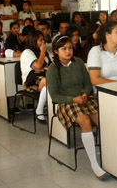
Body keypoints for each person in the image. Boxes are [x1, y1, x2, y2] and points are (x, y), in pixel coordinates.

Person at [46, 35, 110, 181]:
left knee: (103, 119)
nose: (68, 51)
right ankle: (95, 164)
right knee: (85, 121)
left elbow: (88, 83)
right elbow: (55, 96)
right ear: (56, 51)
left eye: (70, 48)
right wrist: (73, 99)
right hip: (66, 103)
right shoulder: (52, 69)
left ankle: (109, 157)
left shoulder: (79, 62)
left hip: (84, 98)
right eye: (64, 49)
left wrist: (85, 93)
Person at [20, 30, 51, 123]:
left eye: (43, 40)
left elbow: (47, 66)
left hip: (42, 77)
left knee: (53, 80)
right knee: (48, 82)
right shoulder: (27, 52)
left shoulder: (42, 53)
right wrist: (43, 52)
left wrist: (43, 68)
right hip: (30, 82)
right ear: (33, 41)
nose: (43, 43)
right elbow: (38, 66)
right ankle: (39, 110)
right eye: (40, 40)